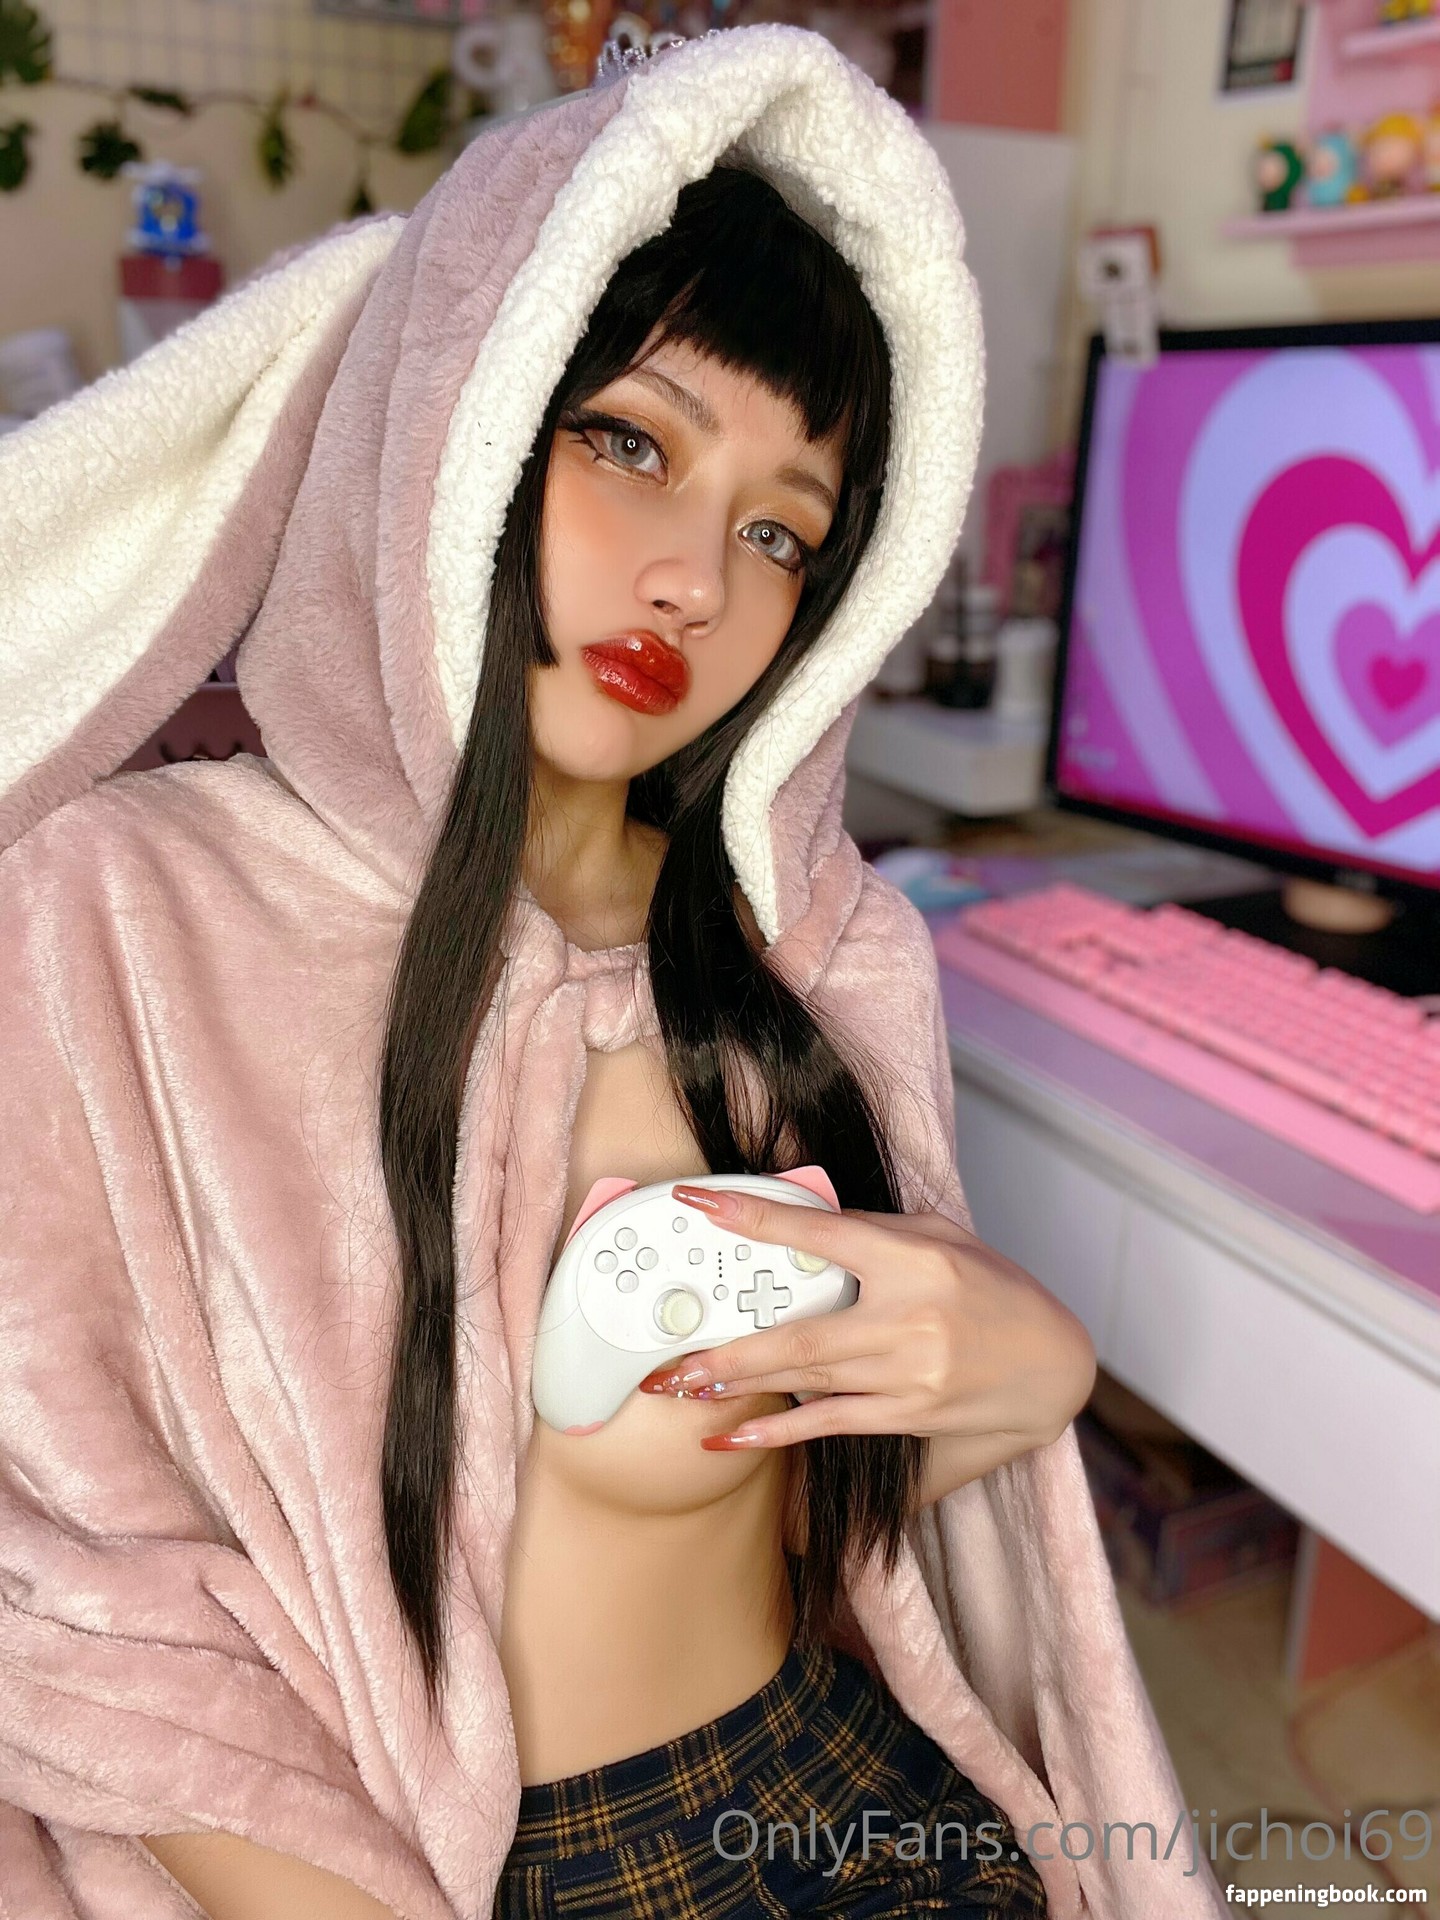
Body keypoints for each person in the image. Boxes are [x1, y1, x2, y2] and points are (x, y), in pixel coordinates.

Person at [0, 25, 1229, 1920]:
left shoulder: (817, 947)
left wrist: (1034, 1363)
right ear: (452, 424)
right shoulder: (122, 915)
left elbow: (889, 1508)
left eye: (778, 530)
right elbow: (71, 1588)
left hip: (850, 1788)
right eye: (631, 443)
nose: (696, 582)